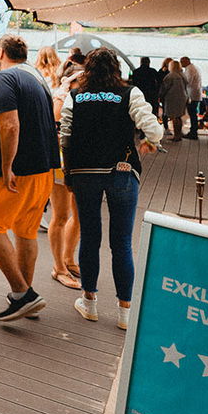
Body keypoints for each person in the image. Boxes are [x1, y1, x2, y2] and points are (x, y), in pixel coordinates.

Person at [60, 47, 161, 330]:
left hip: (84, 173)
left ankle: (89, 302)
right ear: (116, 69)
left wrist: (68, 173)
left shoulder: (75, 96)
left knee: (90, 238)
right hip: (122, 171)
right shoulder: (130, 93)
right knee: (122, 243)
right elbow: (153, 130)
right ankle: (125, 311)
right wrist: (149, 142)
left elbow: (65, 137)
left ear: (88, 70)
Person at [0, 34, 58, 322]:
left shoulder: (5, 78)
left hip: (16, 171)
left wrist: (7, 165)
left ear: (1, 52)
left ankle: (23, 294)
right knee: (26, 231)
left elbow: (10, 125)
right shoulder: (36, 78)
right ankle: (25, 296)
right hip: (43, 168)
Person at [36, 46, 80, 290]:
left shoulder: (81, 97)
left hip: (79, 162)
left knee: (80, 214)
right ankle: (58, 267)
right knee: (61, 215)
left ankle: (69, 259)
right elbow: (54, 127)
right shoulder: (61, 97)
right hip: (61, 163)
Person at [159, 60, 189, 142]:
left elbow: (165, 88)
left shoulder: (170, 76)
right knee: (178, 117)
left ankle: (176, 136)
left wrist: (160, 96)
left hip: (173, 98)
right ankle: (179, 134)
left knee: (174, 117)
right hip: (182, 97)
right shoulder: (182, 75)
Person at [179, 56, 202, 139]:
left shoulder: (190, 69)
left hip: (192, 95)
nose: (180, 64)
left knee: (192, 114)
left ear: (186, 61)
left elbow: (188, 81)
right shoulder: (193, 68)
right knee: (193, 114)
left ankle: (193, 132)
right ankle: (193, 131)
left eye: (181, 62)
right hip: (194, 94)